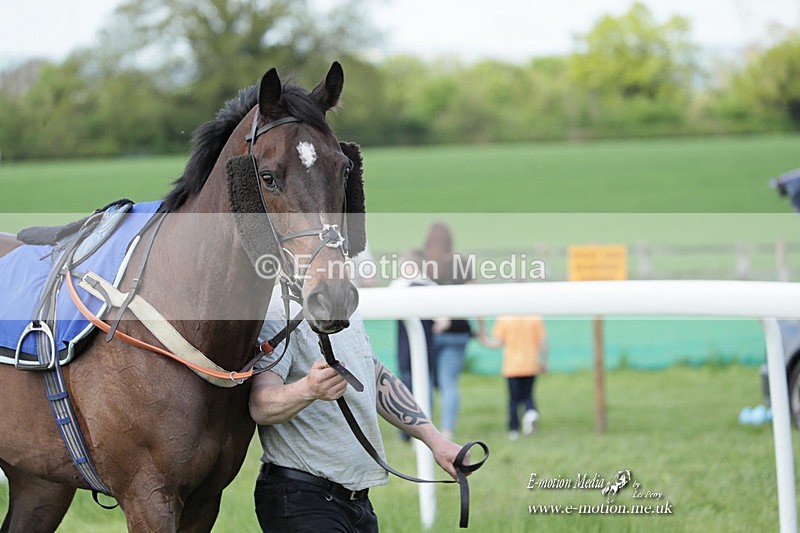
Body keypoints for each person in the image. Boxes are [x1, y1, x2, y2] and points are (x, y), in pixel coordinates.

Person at [249, 286, 465, 532]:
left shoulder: (345, 304)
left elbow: (372, 375)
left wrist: (436, 442)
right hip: (301, 498)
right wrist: (307, 389)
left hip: (357, 503)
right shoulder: (279, 309)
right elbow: (260, 405)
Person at [424, 222, 474, 440]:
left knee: (425, 382)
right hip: (458, 331)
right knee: (449, 383)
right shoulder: (462, 263)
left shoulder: (426, 266)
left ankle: (426, 429)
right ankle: (447, 430)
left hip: (431, 333)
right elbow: (476, 298)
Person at [390, 249, 436, 442]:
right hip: (423, 349)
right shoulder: (431, 286)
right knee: (423, 388)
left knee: (406, 391)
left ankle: (408, 432)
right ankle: (425, 431)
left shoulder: (399, 287)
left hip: (407, 349)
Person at [477, 314, 548, 440]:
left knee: (514, 400)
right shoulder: (534, 317)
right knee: (528, 395)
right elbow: (542, 341)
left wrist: (484, 340)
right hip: (530, 364)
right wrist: (543, 362)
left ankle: (513, 429)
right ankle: (530, 415)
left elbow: (497, 342)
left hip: (512, 366)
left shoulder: (504, 318)